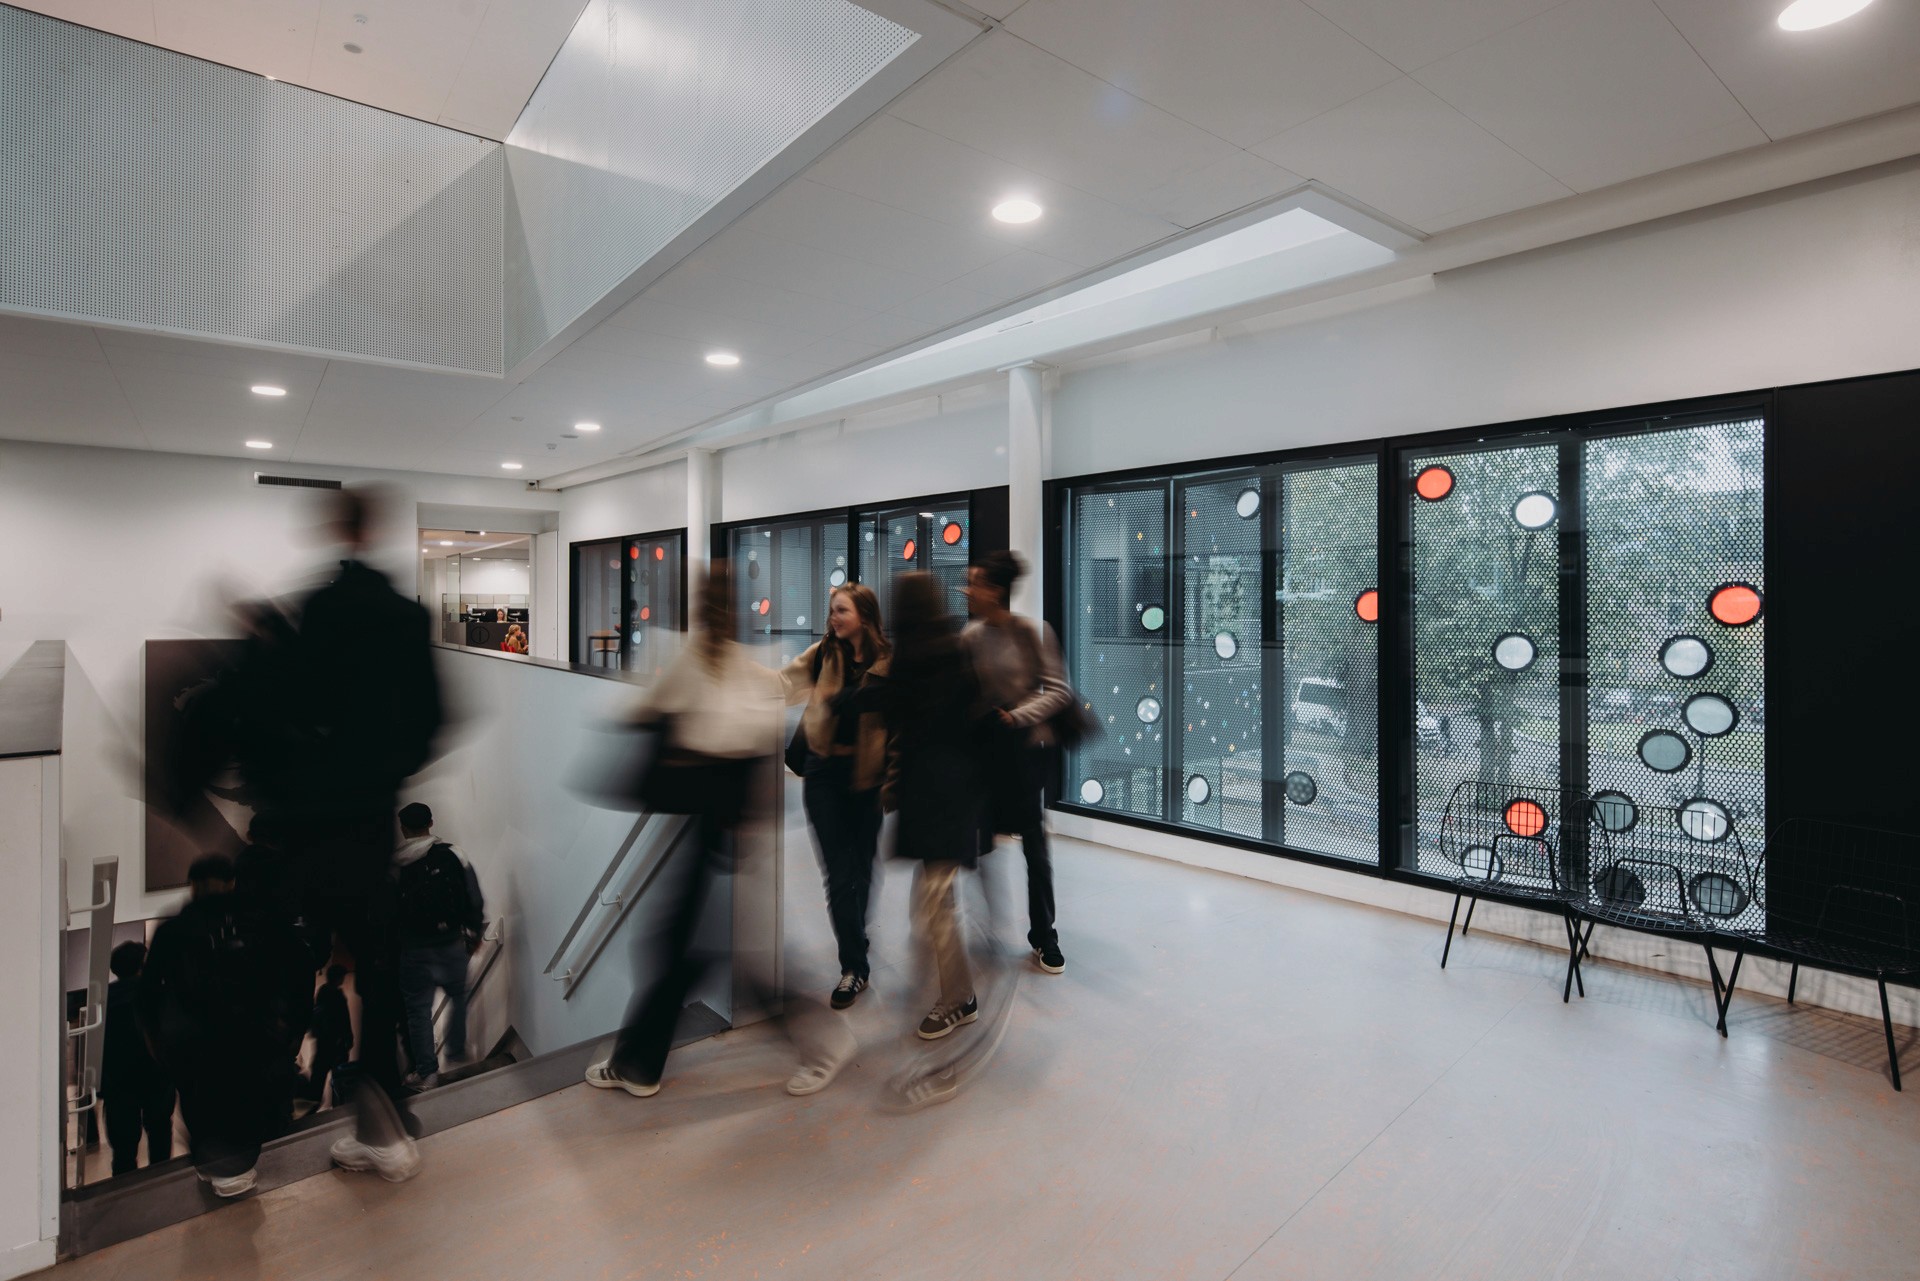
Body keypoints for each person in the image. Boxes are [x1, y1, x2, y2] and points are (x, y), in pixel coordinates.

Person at [586, 567, 852, 1097]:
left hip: (721, 828)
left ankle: (823, 1042)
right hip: (729, 825)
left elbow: (639, 712)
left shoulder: (698, 661)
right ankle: (641, 1064)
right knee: (692, 948)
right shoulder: (732, 663)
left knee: (712, 953)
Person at [137, 855, 311, 1198]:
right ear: (232, 883)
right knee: (243, 1100)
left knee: (201, 1103)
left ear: (192, 886)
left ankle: (216, 1164)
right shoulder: (257, 924)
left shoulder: (173, 931)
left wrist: (155, 1039)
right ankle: (235, 1167)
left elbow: (148, 992)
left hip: (192, 1042)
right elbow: (296, 969)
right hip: (251, 1038)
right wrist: (292, 1030)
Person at [875, 574, 991, 1043]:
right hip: (943, 796)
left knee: (936, 904)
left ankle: (959, 999)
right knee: (932, 903)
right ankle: (948, 988)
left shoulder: (926, 659)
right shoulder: (944, 652)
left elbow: (908, 722)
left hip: (941, 798)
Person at [782, 583, 891, 1010]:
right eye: (832, 610)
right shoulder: (824, 654)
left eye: (841, 610)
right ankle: (853, 968)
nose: (833, 617)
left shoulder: (888, 663)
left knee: (863, 870)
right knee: (839, 874)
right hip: (823, 775)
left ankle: (854, 934)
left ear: (864, 615)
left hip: (867, 780)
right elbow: (783, 682)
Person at [963, 551, 1073, 974]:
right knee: (980, 841)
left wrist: (1017, 715)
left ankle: (1044, 935)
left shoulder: (1033, 632)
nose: (967, 591)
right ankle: (989, 924)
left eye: (974, 583)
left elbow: (1059, 691)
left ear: (995, 590)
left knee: (1033, 845)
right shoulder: (971, 635)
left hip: (1026, 749)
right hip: (986, 751)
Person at [393, 802, 485, 1086]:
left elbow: (386, 913)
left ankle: (428, 1072)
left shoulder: (394, 865)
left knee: (418, 1012)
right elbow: (473, 896)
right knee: (459, 995)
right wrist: (474, 934)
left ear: (403, 829)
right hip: (451, 942)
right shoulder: (453, 854)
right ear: (431, 823)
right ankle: (456, 1051)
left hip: (413, 949)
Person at [101, 941, 175, 1176]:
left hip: (117, 1080)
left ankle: (125, 1188)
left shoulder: (103, 1000)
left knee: (123, 1147)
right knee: (160, 1130)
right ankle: (161, 1180)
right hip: (156, 1074)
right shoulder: (158, 994)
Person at [301, 965, 353, 1109]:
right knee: (338, 1078)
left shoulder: (323, 993)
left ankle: (312, 1106)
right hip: (335, 1043)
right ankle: (338, 1106)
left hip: (324, 1043)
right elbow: (344, 1020)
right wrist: (347, 1038)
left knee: (319, 1077)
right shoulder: (336, 995)